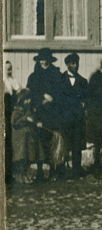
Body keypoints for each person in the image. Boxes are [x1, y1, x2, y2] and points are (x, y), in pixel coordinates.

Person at [26, 47, 65, 179]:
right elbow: (29, 95)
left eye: (46, 60)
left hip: (53, 113)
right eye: (42, 60)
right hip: (39, 113)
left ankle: (54, 171)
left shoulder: (56, 75)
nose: (44, 62)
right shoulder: (33, 77)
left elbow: (61, 94)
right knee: (39, 142)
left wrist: (52, 99)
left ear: (50, 60)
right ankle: (40, 171)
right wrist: (41, 100)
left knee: (52, 141)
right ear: (39, 60)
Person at [58, 53, 89, 178]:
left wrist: (84, 105)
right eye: (72, 63)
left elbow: (87, 99)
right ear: (67, 64)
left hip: (77, 118)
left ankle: (77, 169)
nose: (75, 66)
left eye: (76, 63)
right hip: (64, 118)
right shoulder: (60, 80)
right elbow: (57, 99)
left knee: (77, 144)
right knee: (64, 144)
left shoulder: (83, 81)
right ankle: (61, 170)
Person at [11, 88, 41, 184]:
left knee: (28, 158)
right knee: (22, 159)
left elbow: (33, 119)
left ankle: (25, 175)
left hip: (28, 139)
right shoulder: (17, 111)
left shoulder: (29, 110)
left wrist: (36, 122)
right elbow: (14, 122)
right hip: (20, 140)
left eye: (29, 99)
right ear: (21, 100)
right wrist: (25, 119)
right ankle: (21, 175)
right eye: (26, 99)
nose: (29, 101)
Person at [5, 60, 18, 184]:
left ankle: (8, 173)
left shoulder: (13, 82)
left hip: (10, 115)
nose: (9, 71)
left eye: (10, 69)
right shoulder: (4, 83)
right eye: (7, 69)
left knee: (8, 143)